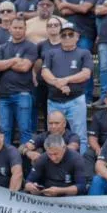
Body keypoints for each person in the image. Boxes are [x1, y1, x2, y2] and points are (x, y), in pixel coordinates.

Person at [18, 133, 87, 213]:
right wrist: (31, 186)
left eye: (56, 154)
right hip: (47, 192)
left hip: (67, 194)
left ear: (64, 148)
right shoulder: (43, 158)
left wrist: (60, 190)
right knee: (23, 195)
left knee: (69, 200)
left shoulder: (76, 159)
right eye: (50, 154)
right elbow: (29, 180)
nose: (53, 157)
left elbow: (82, 187)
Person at [41, 21, 93, 152]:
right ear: (60, 36)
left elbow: (86, 74)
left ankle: (81, 168)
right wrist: (59, 84)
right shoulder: (50, 53)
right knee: (53, 136)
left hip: (75, 101)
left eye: (71, 34)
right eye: (64, 35)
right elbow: (44, 73)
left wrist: (65, 80)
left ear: (77, 36)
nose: (67, 37)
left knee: (80, 137)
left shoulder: (84, 53)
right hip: (54, 102)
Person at [0, 17, 38, 146]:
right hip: (3, 96)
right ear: (10, 29)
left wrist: (5, 63)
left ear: (25, 29)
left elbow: (24, 67)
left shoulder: (31, 47)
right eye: (15, 27)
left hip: (23, 94)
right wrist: (14, 60)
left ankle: (25, 162)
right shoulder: (2, 48)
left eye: (20, 28)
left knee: (25, 129)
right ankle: (7, 161)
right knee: (4, 130)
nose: (18, 30)